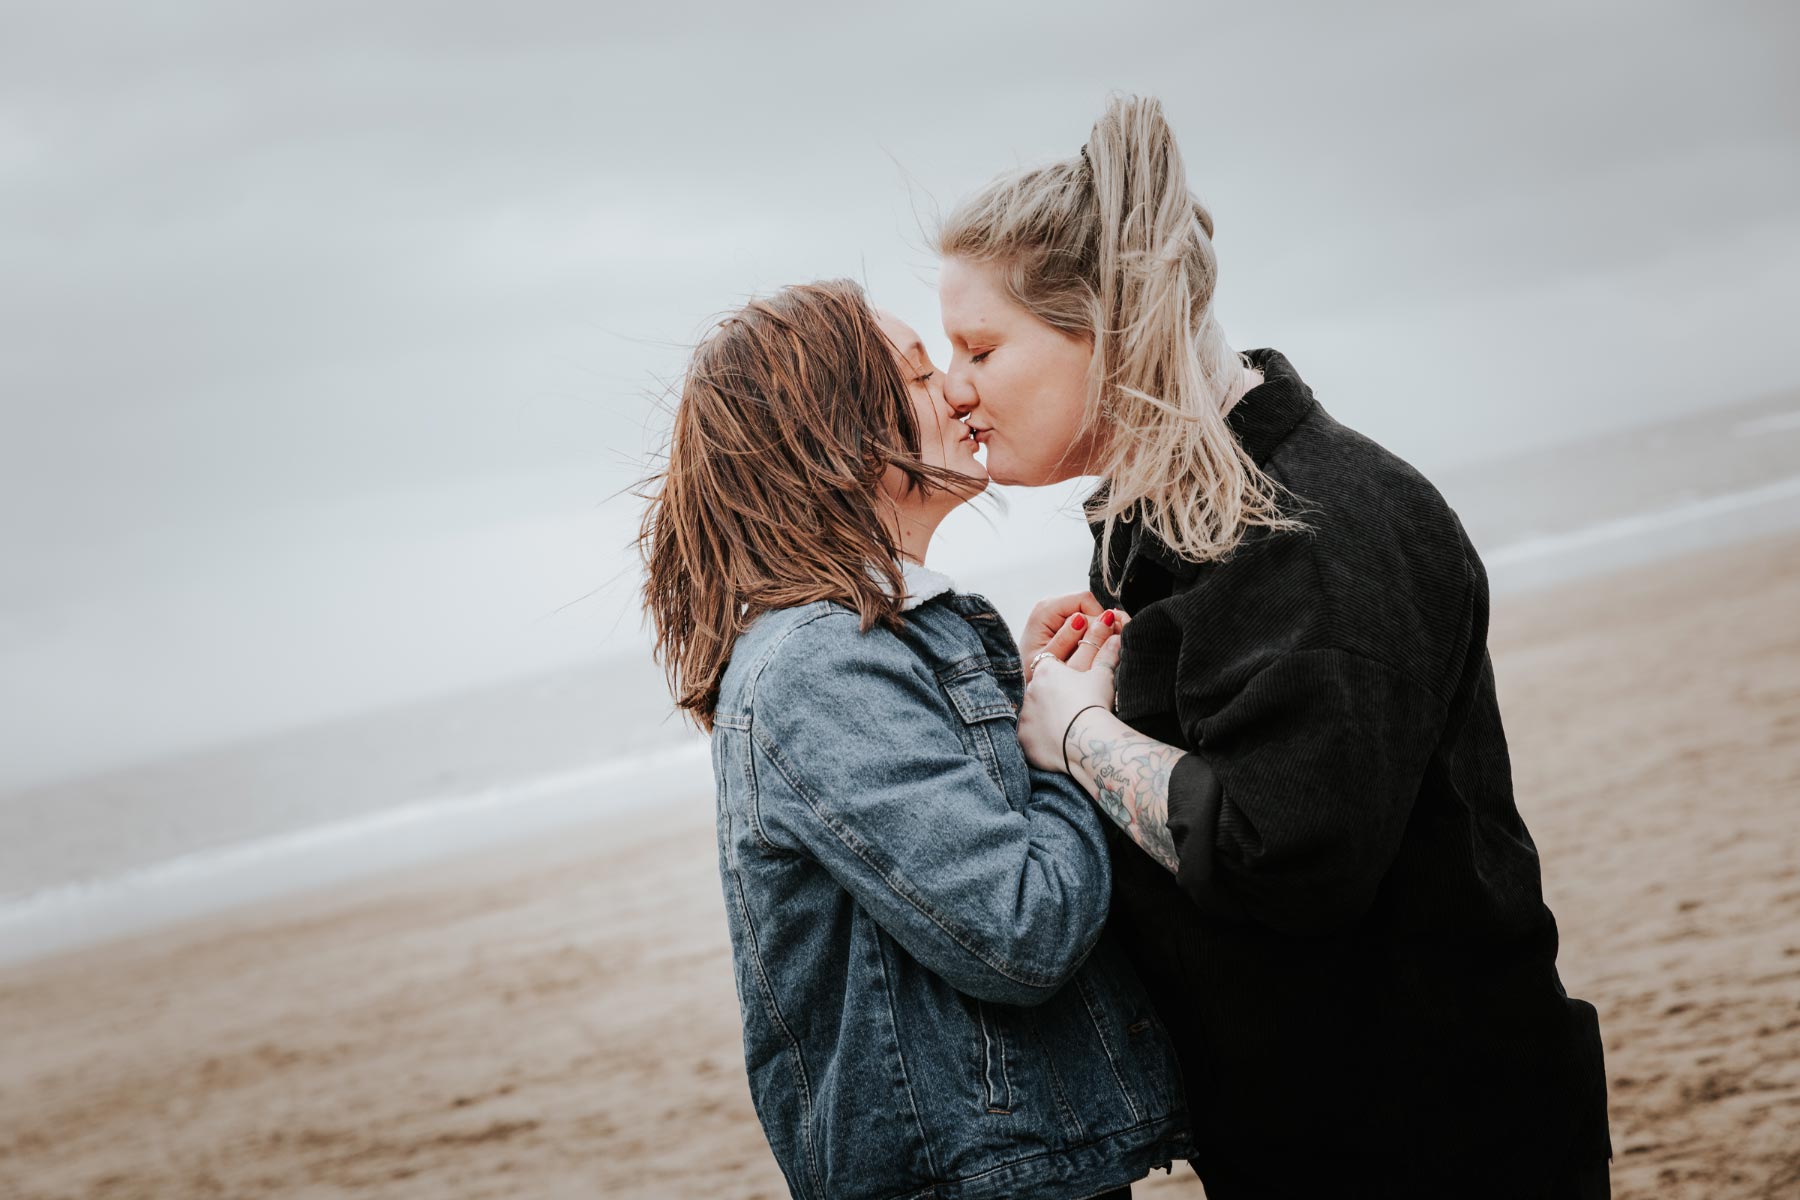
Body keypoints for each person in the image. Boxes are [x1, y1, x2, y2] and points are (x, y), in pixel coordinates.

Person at [932, 96, 1614, 1198]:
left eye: (979, 348)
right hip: (1302, 1137)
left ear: (1106, 327)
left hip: (1439, 1143)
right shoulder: (1177, 528)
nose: (953, 387)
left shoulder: (1318, 525)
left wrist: (1081, 733)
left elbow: (1286, 852)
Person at [638, 278, 1194, 1200]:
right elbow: (1021, 929)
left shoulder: (883, 640)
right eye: (919, 374)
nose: (959, 392)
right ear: (836, 432)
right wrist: (1065, 745)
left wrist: (1022, 698)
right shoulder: (822, 666)